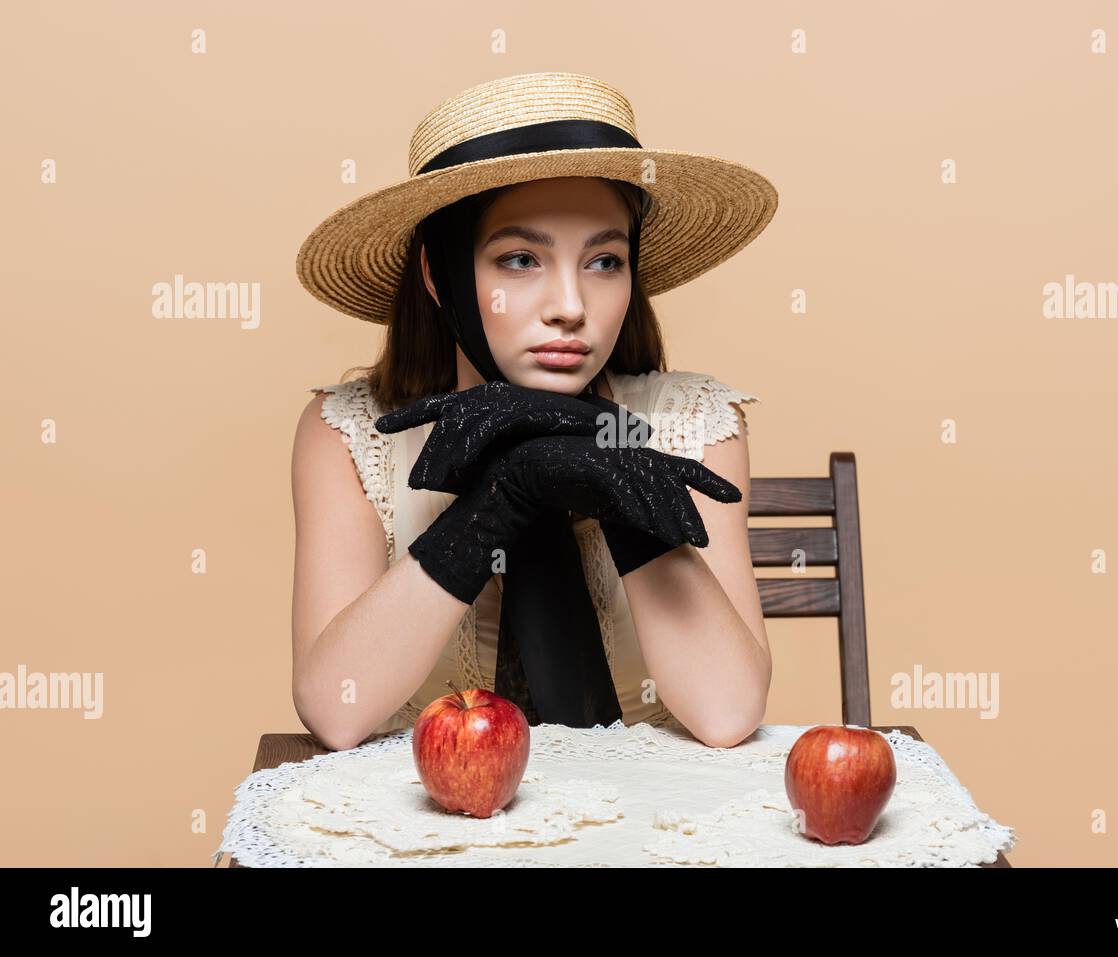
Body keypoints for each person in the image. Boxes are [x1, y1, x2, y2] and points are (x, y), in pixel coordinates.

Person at [290, 72, 779, 751]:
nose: (571, 306)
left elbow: (727, 712)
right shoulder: (347, 431)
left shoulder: (696, 423)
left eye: (604, 261)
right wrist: (497, 497)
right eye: (521, 259)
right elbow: (336, 710)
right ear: (442, 276)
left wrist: (618, 484)